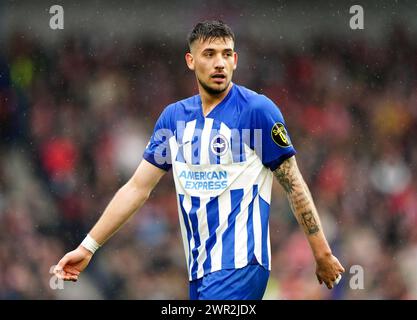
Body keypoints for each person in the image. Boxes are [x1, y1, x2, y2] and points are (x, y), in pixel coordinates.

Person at [54, 20, 345, 300]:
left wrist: (321, 253)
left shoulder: (257, 110)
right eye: (209, 54)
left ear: (235, 60)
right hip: (199, 270)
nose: (219, 62)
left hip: (242, 263)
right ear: (191, 60)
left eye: (226, 54)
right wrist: (89, 246)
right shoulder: (174, 118)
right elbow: (137, 188)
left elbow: (293, 182)